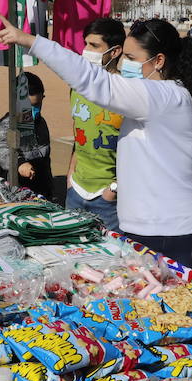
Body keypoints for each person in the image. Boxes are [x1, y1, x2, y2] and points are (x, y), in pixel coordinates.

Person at [0, 15, 192, 269]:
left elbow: (94, 81)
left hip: (173, 232)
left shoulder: (164, 96)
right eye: (124, 56)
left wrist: (30, 41)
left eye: (132, 59)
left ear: (159, 61)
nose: (124, 64)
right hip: (151, 227)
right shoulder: (157, 96)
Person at [65, 19, 125, 231]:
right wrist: (70, 175)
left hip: (108, 199)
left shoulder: (126, 93)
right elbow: (78, 134)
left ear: (115, 51)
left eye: (95, 46)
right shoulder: (77, 88)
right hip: (76, 191)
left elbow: (136, 149)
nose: (86, 51)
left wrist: (114, 189)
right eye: (86, 44)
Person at [0, 72, 55, 199]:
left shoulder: (41, 122)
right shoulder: (9, 124)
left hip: (40, 187)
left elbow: (45, 157)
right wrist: (20, 164)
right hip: (16, 186)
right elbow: (0, 150)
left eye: (37, 105)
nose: (33, 110)